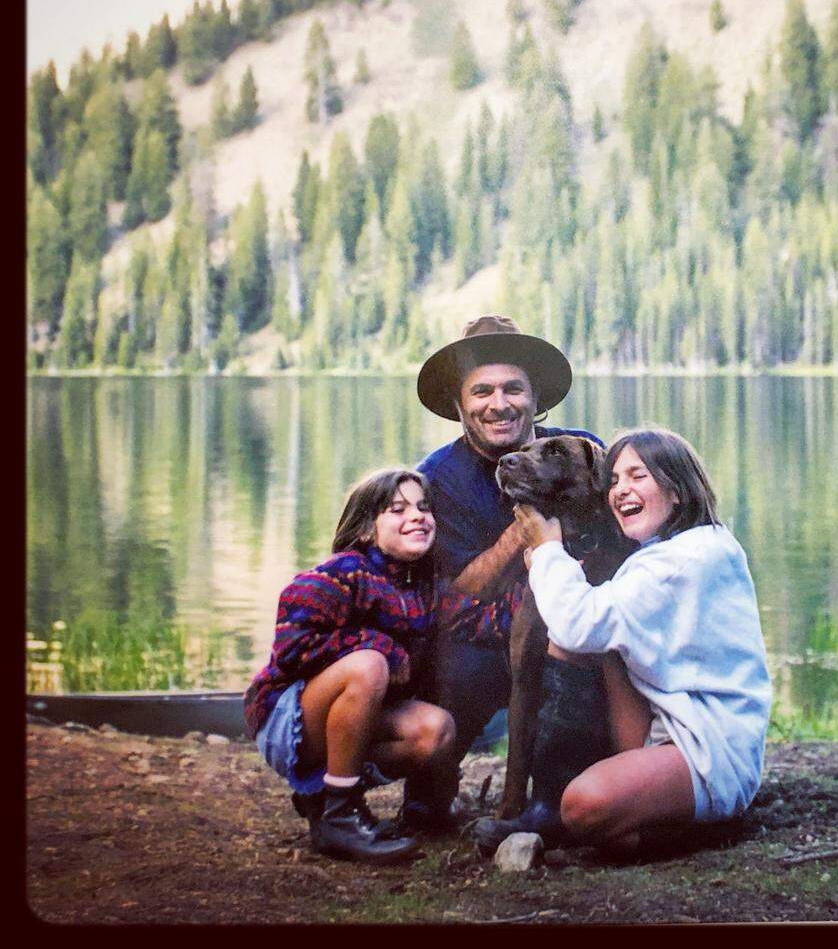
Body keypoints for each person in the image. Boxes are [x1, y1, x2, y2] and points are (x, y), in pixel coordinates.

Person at [477, 427, 771, 855]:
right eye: (613, 480)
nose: (620, 490)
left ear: (677, 489)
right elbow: (580, 631)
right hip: (664, 723)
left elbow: (577, 622)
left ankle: (696, 823)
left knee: (585, 806)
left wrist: (546, 549)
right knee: (580, 645)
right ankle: (548, 806)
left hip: (707, 749)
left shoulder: (684, 559)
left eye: (638, 476)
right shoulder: (665, 550)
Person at [399, 314, 603, 832]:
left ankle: (596, 790)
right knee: (454, 665)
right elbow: (463, 591)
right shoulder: (437, 479)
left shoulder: (580, 451)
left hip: (581, 613)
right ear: (459, 405)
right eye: (482, 391)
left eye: (513, 388)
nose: (499, 403)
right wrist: (525, 530)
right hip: (481, 633)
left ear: (536, 398)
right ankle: (429, 793)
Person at [243, 469, 455, 863]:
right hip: (286, 717)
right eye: (397, 509)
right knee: (369, 665)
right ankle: (341, 814)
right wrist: (379, 645)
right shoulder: (344, 572)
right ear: (366, 529)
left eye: (423, 508)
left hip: (352, 715)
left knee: (435, 731)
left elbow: (473, 619)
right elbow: (290, 647)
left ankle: (326, 799)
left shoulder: (424, 586)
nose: (417, 516)